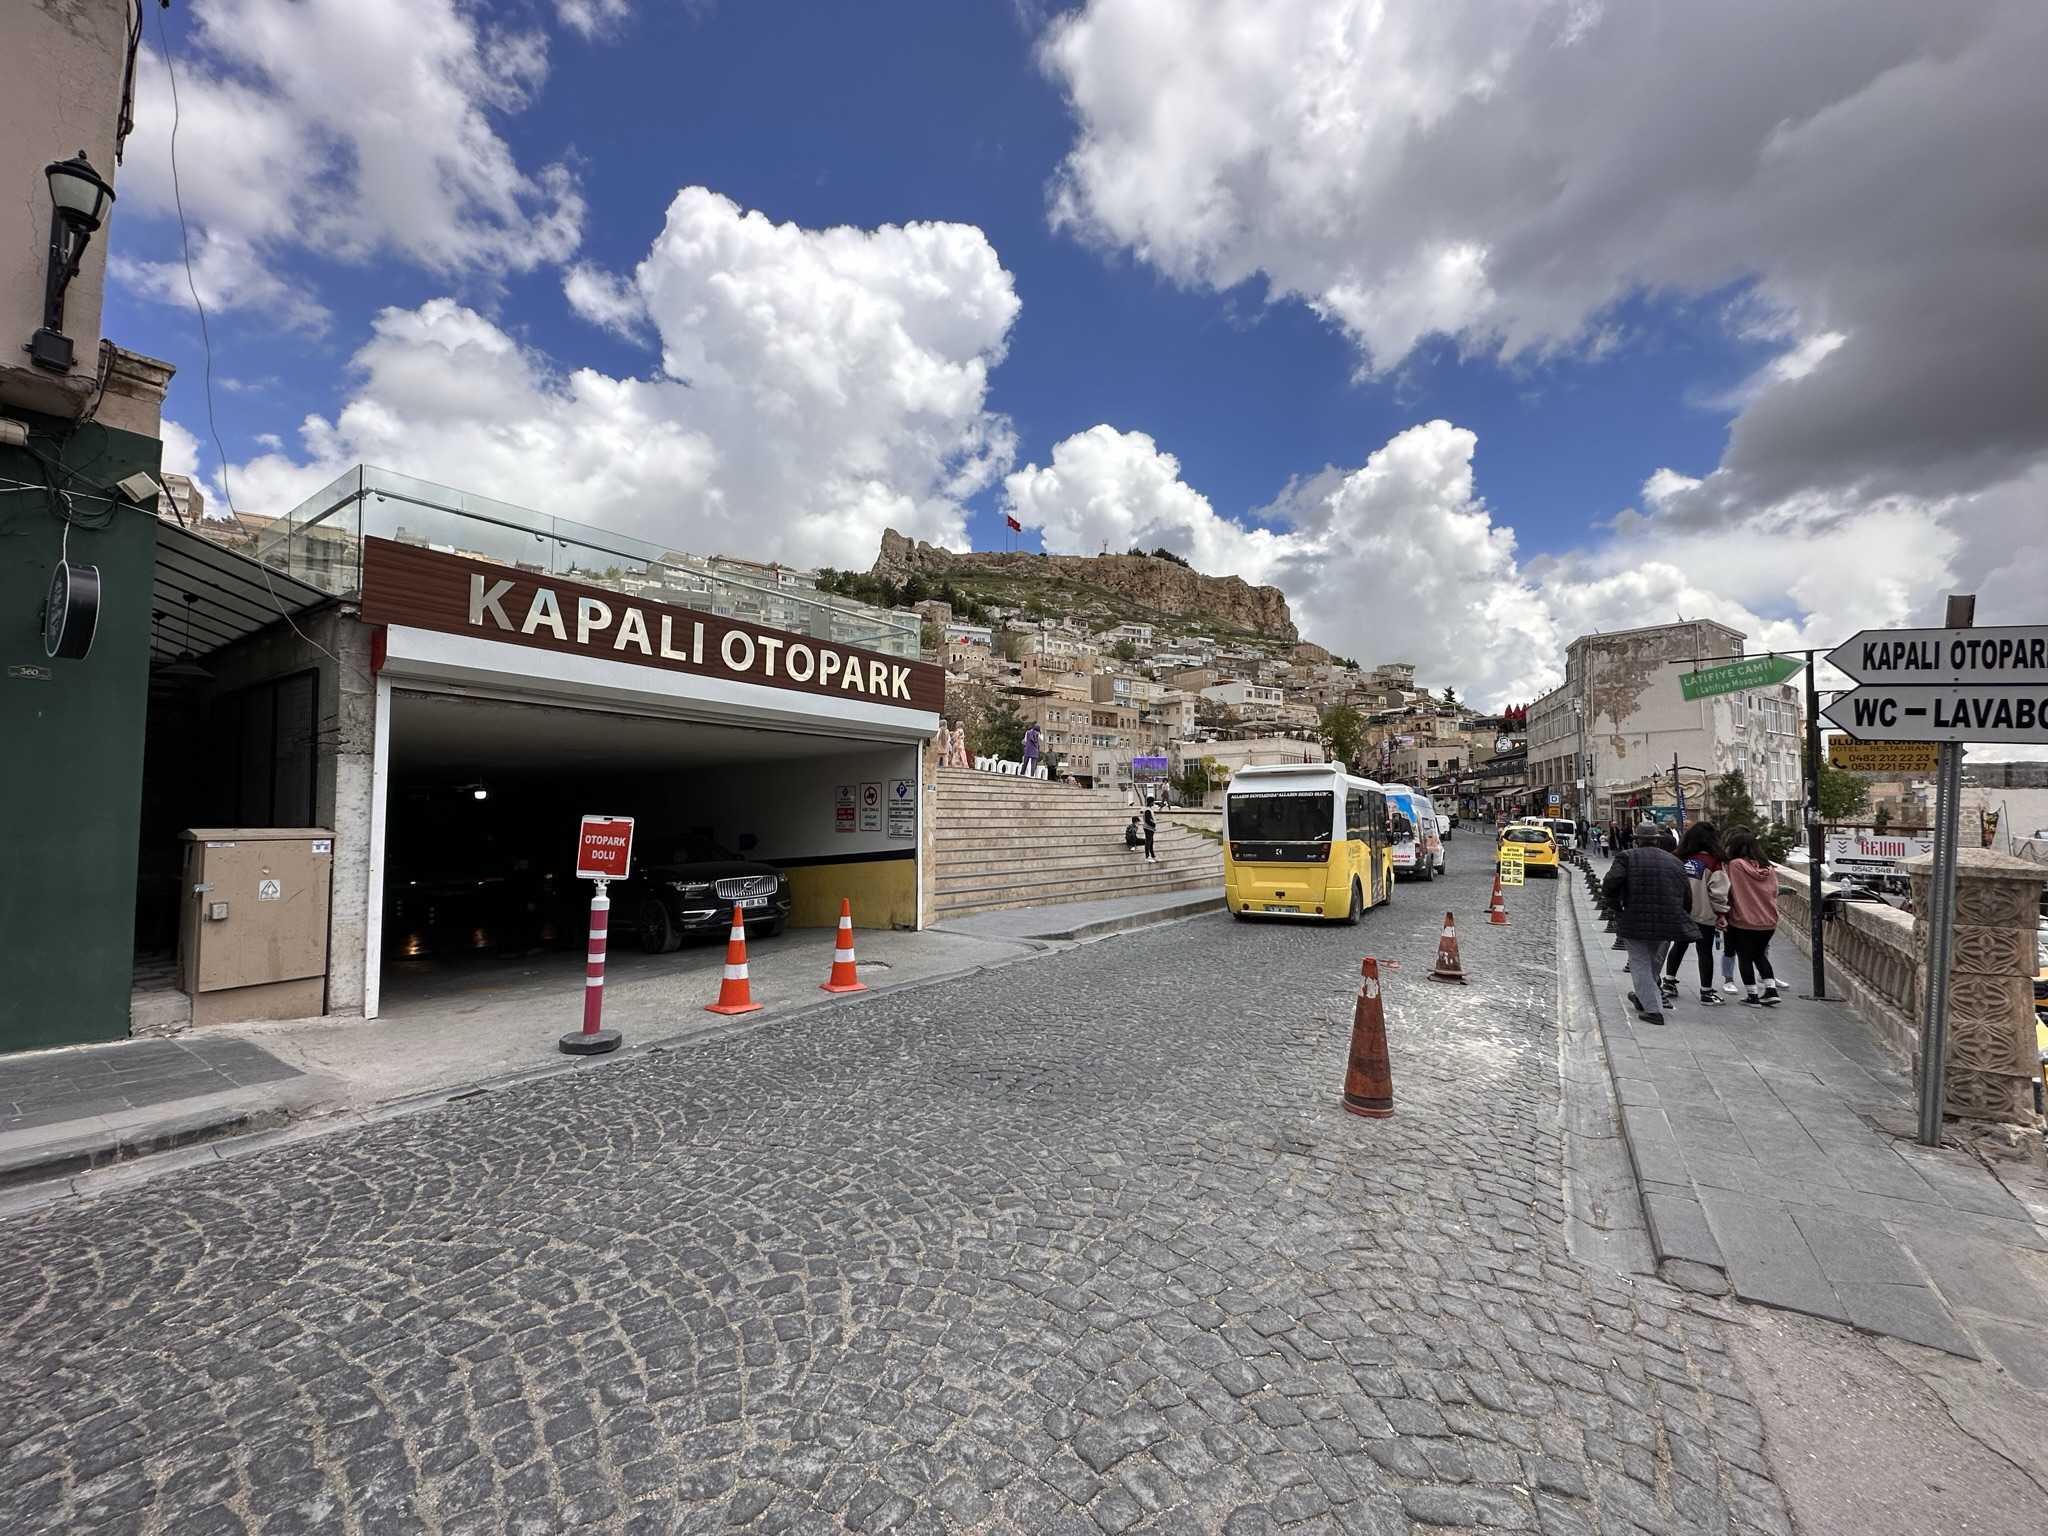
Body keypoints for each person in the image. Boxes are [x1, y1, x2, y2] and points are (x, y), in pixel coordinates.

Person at [1601, 821, 1699, 1026]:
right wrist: (1682, 914)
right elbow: (1686, 894)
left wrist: (1614, 905)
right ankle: (1643, 996)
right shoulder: (1674, 861)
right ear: (1657, 840)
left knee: (1639, 962)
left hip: (1634, 917)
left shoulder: (1627, 857)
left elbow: (1611, 882)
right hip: (1667, 920)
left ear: (1637, 841)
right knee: (1654, 963)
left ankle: (1653, 1011)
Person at [1661, 823, 1730, 1007]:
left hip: (1681, 912)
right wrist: (1721, 913)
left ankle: (1669, 982)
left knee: (1679, 946)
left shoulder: (1678, 858)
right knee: (1704, 951)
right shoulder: (1713, 862)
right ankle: (1706, 992)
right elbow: (1718, 892)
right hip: (1703, 913)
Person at [1723, 827, 1782, 1005]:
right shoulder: (1769, 868)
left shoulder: (1735, 866)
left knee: (1745, 957)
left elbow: (1726, 888)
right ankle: (1771, 990)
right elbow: (1775, 891)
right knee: (1759, 955)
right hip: (1768, 921)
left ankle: (1752, 995)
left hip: (1743, 920)